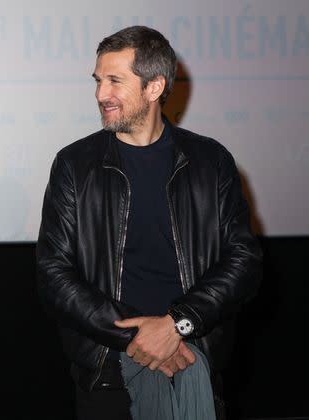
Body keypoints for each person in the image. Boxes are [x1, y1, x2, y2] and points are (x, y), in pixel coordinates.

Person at [36, 25, 262, 420]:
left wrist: (177, 325)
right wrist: (137, 336)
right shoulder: (74, 164)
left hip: (194, 361)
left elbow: (244, 262)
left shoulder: (211, 162)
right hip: (108, 372)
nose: (100, 94)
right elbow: (54, 275)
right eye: (98, 81)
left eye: (114, 81)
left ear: (155, 87)